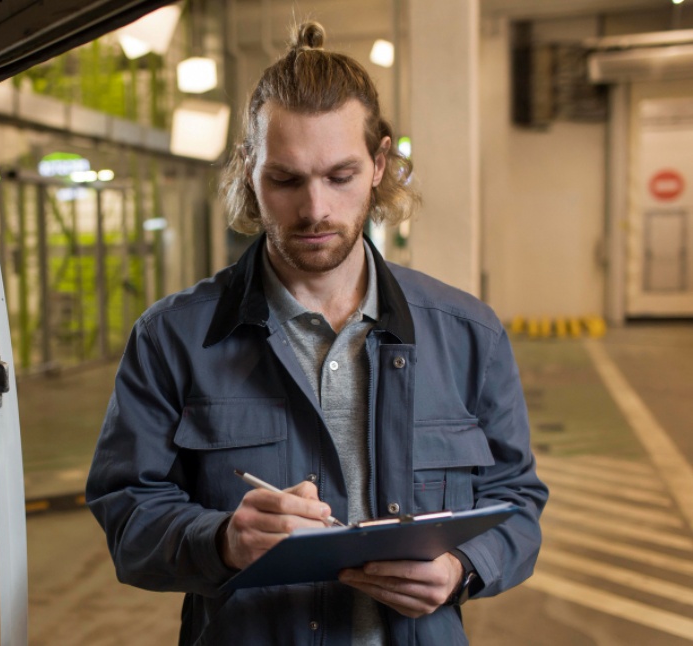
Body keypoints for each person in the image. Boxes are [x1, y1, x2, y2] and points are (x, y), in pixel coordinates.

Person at [86, 20, 547, 646]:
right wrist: (221, 541)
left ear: (380, 163)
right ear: (249, 170)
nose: (315, 210)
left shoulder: (468, 335)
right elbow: (127, 514)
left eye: (340, 176)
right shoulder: (172, 339)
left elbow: (516, 500)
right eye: (286, 180)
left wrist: (462, 568)